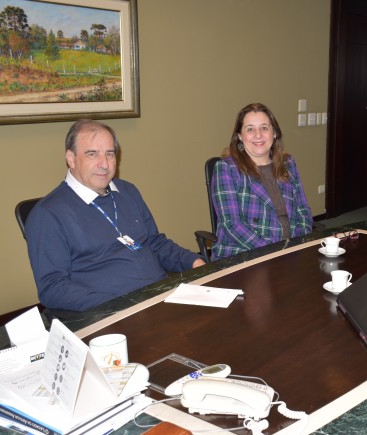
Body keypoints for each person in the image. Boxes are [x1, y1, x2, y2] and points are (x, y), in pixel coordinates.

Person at [26, 120, 205, 312]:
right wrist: (118, 305)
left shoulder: (127, 191)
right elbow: (53, 288)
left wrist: (195, 262)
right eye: (92, 154)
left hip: (160, 297)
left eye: (110, 154)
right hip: (111, 313)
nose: (104, 164)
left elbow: (155, 243)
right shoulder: (48, 214)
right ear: (71, 158)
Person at [211, 103, 313, 258]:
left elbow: (303, 210)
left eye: (264, 128)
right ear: (240, 136)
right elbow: (232, 224)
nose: (258, 135)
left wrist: (297, 244)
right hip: (245, 254)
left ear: (274, 133)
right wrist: (273, 252)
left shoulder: (288, 163)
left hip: (290, 251)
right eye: (250, 129)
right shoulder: (226, 168)